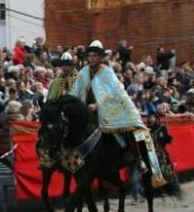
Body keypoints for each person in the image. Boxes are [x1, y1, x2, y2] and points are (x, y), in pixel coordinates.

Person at [70, 40, 166, 187]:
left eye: (95, 56)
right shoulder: (83, 72)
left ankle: (138, 158)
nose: (92, 59)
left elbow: (114, 91)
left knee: (127, 128)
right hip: (87, 110)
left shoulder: (107, 72)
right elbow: (75, 91)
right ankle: (71, 160)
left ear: (100, 57)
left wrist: (98, 104)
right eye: (90, 56)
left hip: (108, 110)